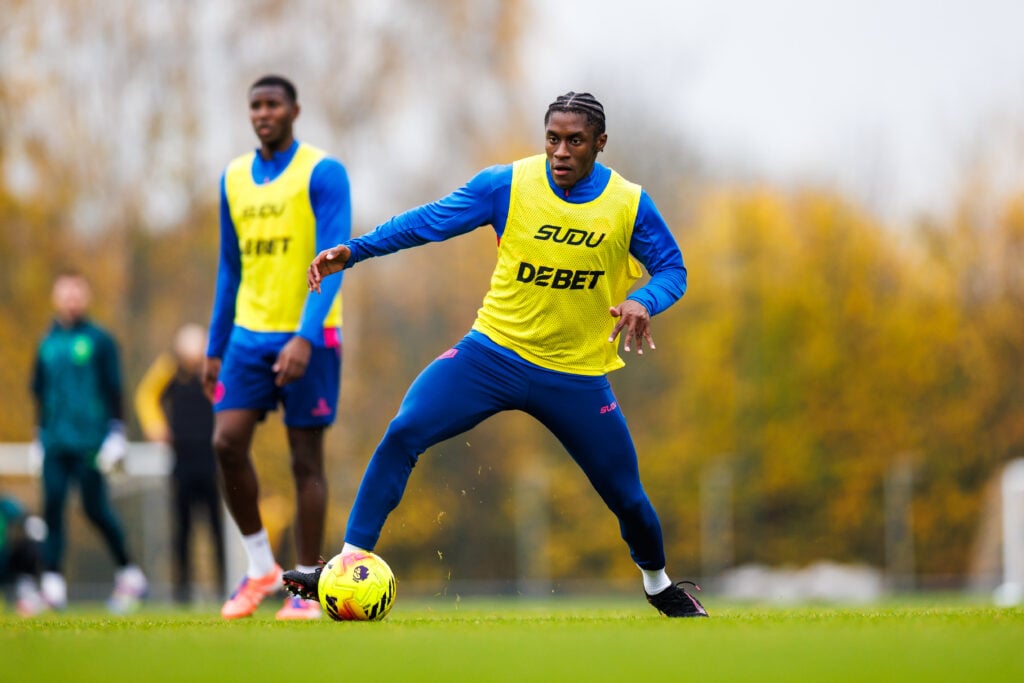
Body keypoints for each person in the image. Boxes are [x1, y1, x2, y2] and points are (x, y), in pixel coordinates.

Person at [285, 92, 708, 618]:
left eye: (575, 141)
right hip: (490, 356)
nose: (561, 151)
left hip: (575, 375)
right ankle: (346, 565)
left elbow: (673, 269)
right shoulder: (507, 184)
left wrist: (644, 300)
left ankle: (658, 584)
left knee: (627, 497)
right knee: (404, 430)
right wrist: (355, 250)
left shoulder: (628, 203)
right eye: (553, 138)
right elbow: (429, 220)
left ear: (600, 143)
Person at [204, 74, 351, 620]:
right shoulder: (233, 177)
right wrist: (215, 346)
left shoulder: (323, 171)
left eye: (272, 105)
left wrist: (305, 337)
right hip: (248, 335)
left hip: (311, 336)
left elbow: (333, 261)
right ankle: (261, 566)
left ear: (294, 110)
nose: (263, 114)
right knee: (226, 442)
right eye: (255, 106)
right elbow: (230, 267)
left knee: (305, 460)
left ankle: (305, 588)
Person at [30, 270, 149, 613]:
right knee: (52, 505)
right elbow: (39, 392)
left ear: (85, 296)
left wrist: (116, 433)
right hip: (54, 440)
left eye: (76, 292)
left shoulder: (100, 340)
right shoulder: (47, 343)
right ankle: (52, 585)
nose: (71, 299)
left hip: (89, 441)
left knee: (94, 508)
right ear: (56, 297)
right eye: (65, 292)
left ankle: (129, 572)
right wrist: (38, 434)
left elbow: (114, 388)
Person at [135, 323, 226, 605]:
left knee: (216, 527)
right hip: (182, 460)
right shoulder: (169, 369)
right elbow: (146, 395)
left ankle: (222, 586)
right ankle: (182, 590)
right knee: (181, 528)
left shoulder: (214, 370)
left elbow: (230, 395)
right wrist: (154, 426)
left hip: (211, 461)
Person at [0, 492, 46, 616]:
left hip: (5, 561)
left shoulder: (4, 506)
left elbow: (24, 516)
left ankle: (29, 599)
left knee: (29, 548)